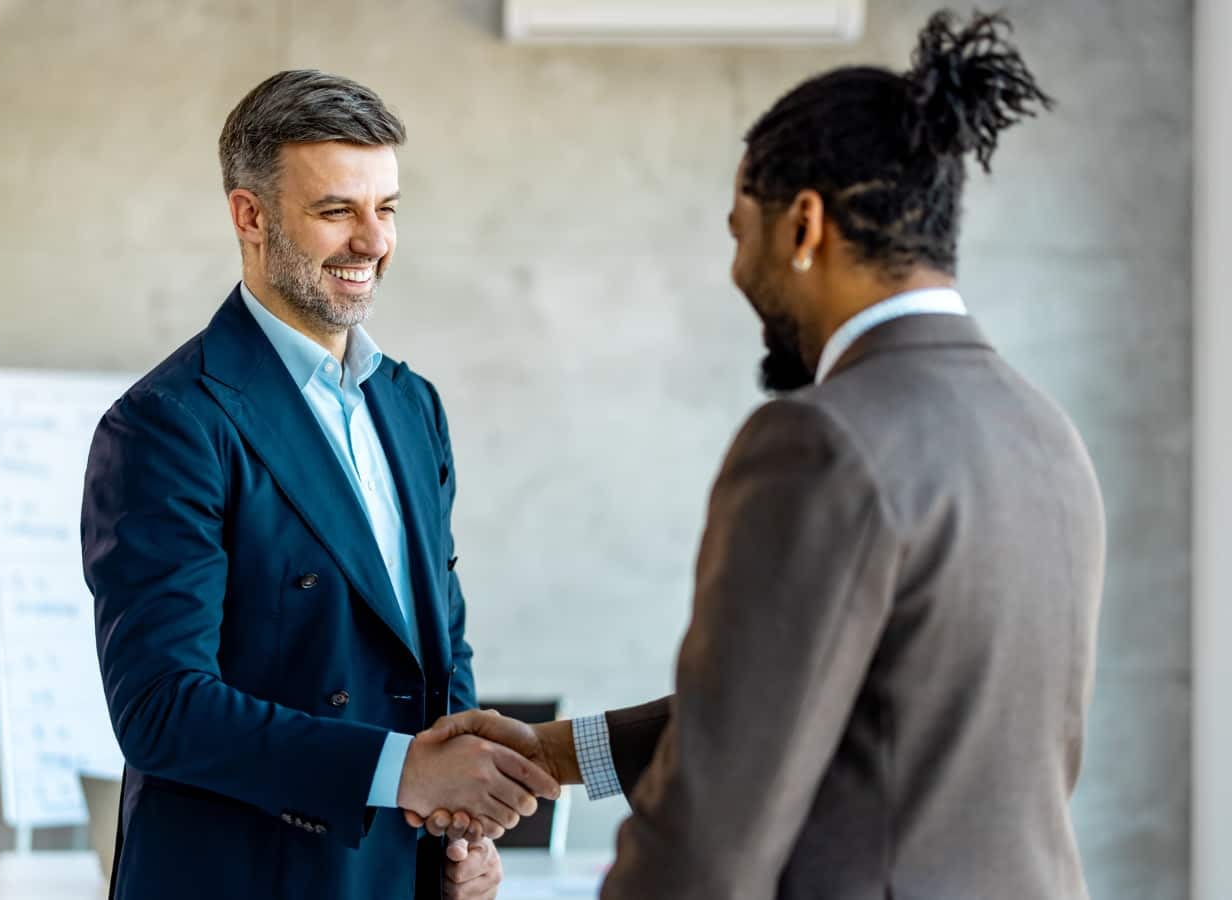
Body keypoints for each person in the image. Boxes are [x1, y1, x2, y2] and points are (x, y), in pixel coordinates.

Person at [411, 11, 1105, 899]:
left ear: (804, 226)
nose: (740, 270)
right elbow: (841, 707)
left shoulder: (823, 441)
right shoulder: (1042, 430)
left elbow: (710, 831)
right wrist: (555, 752)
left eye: (742, 230)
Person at [80, 69, 556, 900]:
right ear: (249, 215)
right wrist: (407, 773)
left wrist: (457, 831)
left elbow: (440, 641)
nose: (373, 241)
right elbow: (160, 706)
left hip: (391, 872)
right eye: (338, 211)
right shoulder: (168, 422)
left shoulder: (413, 405)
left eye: (389, 208)